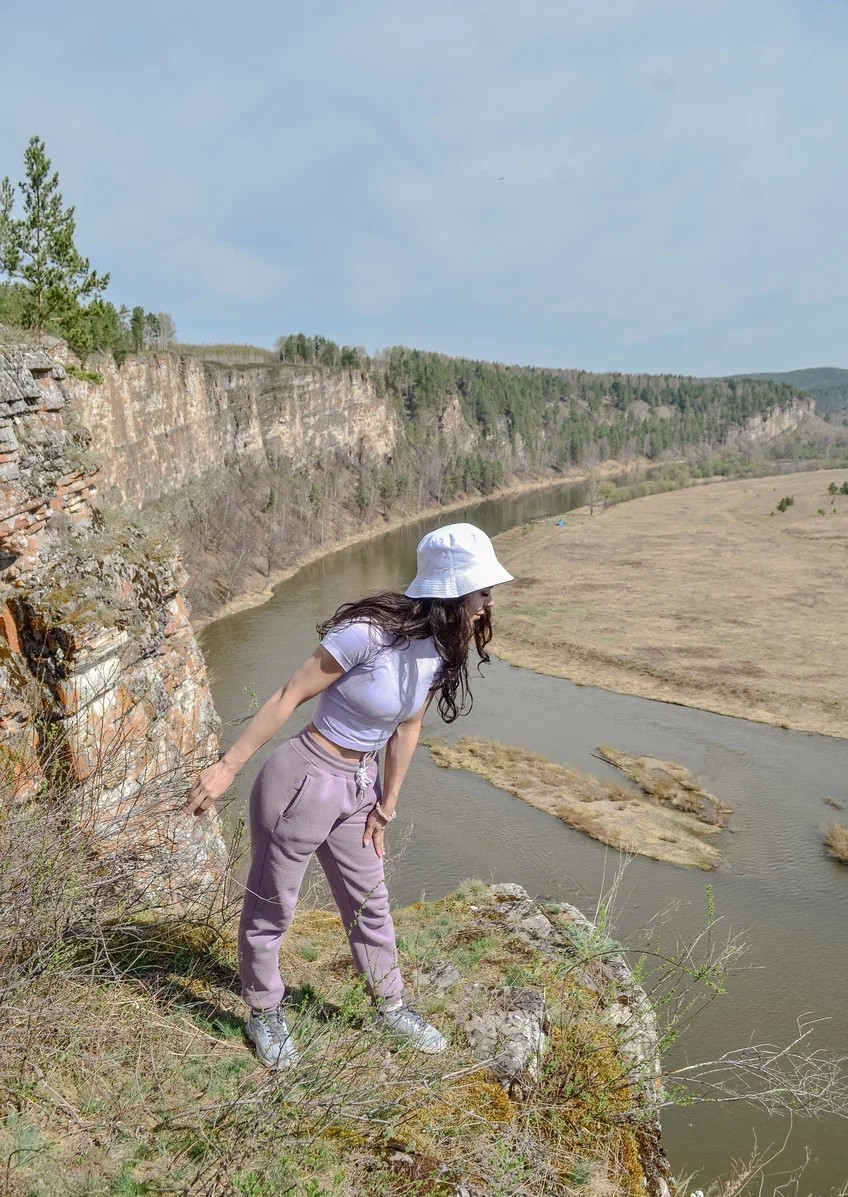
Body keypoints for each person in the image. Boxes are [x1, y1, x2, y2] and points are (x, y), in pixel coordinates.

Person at [183, 522, 514, 1069]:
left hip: (358, 790)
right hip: (303, 781)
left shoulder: (437, 651)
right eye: (482, 592)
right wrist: (226, 766)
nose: (489, 602)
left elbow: (407, 729)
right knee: (273, 908)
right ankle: (264, 1010)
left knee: (370, 904)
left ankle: (390, 1005)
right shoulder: (367, 633)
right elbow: (290, 693)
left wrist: (386, 805)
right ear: (453, 594)